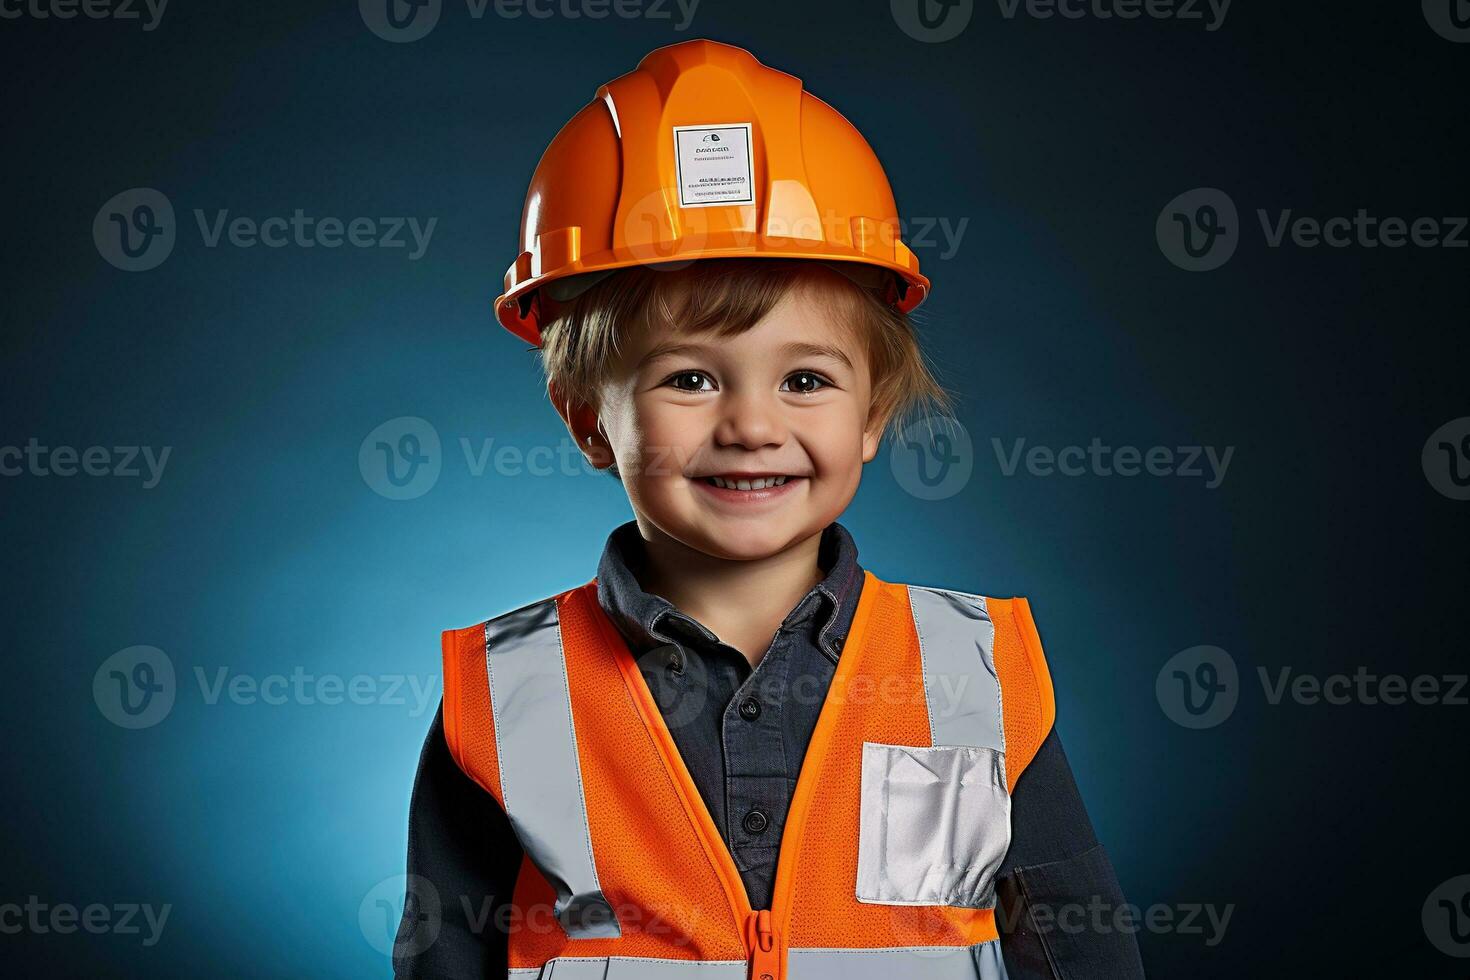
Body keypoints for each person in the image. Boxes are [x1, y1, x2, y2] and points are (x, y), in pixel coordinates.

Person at [395, 38, 1144, 980]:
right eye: (690, 378)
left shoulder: (976, 676)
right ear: (589, 418)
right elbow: (446, 957)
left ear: (871, 413)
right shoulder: (506, 695)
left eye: (803, 378)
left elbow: (1078, 947)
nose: (751, 425)